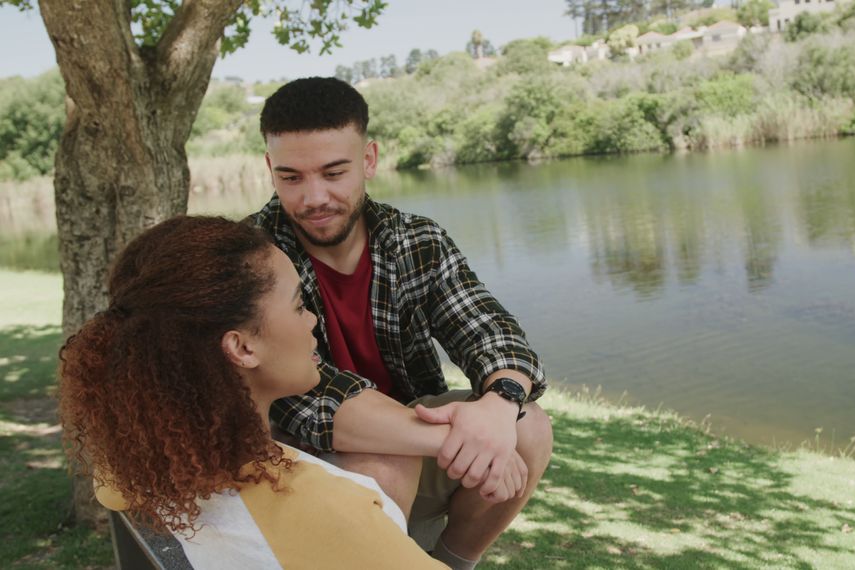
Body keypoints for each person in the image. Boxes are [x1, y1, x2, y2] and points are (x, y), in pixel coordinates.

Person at [249, 77, 553, 569]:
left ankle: (451, 562)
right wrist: (456, 437)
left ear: (368, 160)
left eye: (334, 172)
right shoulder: (251, 258)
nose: (314, 197)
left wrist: (499, 407)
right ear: (270, 169)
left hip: (411, 446)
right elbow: (301, 403)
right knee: (381, 464)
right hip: (305, 462)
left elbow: (490, 330)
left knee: (529, 426)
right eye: (291, 177)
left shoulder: (416, 240)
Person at [58, 216, 446, 569]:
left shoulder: (140, 465)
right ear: (242, 348)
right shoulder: (322, 515)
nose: (313, 319)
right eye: (298, 306)